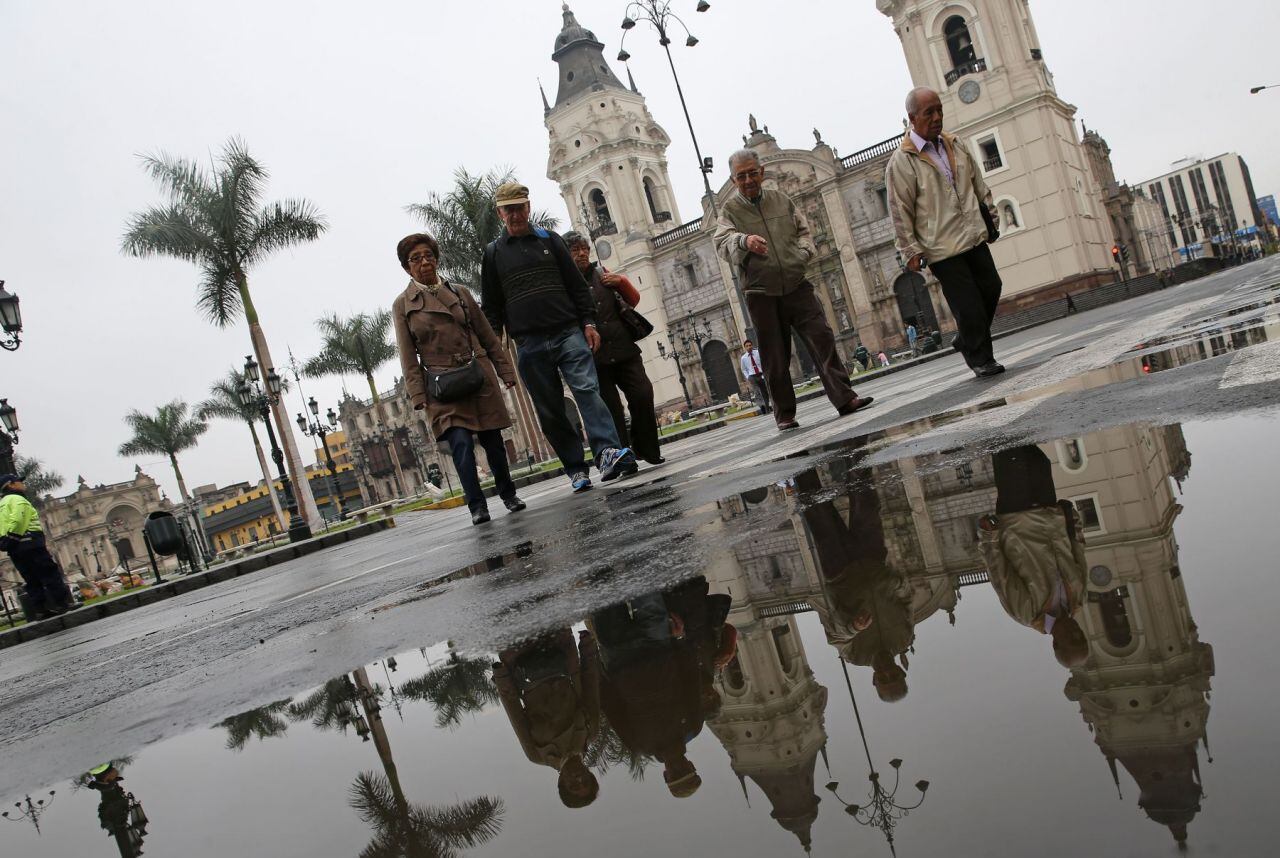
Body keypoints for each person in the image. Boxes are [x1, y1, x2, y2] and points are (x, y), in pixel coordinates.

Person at [480, 182, 637, 492]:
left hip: (567, 332)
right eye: (509, 209)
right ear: (500, 213)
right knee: (549, 408)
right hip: (529, 343)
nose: (516, 214)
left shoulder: (551, 241)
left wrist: (589, 323)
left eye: (520, 207)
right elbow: (492, 306)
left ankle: (606, 452)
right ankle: (576, 468)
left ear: (528, 207)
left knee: (587, 389)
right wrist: (495, 349)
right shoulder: (494, 254)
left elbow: (577, 287)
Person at [714, 149, 874, 431]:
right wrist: (744, 241)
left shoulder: (781, 200)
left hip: (797, 283)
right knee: (775, 355)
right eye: (741, 176)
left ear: (761, 172)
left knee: (822, 337)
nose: (749, 180)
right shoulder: (730, 211)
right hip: (761, 292)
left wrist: (803, 254)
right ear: (733, 180)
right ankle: (784, 414)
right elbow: (722, 242)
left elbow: (804, 231)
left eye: (753, 173)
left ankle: (845, 398)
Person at [393, 233, 526, 526]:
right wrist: (418, 396)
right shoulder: (403, 305)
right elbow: (407, 355)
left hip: (478, 375)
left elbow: (487, 336)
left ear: (437, 259)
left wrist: (505, 371)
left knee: (493, 441)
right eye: (416, 259)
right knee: (461, 445)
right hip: (442, 385)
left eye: (428, 255)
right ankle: (476, 505)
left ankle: (508, 495)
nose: (424, 262)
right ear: (407, 268)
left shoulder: (461, 293)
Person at [887, 86, 1006, 379]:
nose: (937, 117)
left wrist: (990, 219)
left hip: (973, 234)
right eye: (930, 112)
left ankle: (966, 338)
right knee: (968, 303)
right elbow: (900, 210)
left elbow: (979, 185)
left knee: (992, 287)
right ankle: (981, 358)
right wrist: (910, 250)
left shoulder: (956, 144)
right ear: (912, 118)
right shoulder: (902, 162)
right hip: (941, 245)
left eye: (939, 110)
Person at [979, 445, 1090, 668]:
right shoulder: (1079, 598)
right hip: (1050, 514)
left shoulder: (1027, 613)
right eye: (1082, 638)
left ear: (1055, 644)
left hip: (1017, 517)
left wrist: (988, 537)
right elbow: (1078, 553)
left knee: (1010, 453)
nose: (1077, 633)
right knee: (1038, 459)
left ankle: (988, 413)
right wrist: (1072, 521)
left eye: (1073, 641)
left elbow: (1000, 575)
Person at [562, 231, 663, 466]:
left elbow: (634, 300)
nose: (582, 254)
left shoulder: (602, 274)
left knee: (643, 394)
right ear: (566, 255)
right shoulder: (565, 286)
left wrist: (622, 282)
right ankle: (623, 456)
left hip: (624, 349)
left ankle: (646, 448)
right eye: (576, 250)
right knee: (611, 410)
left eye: (585, 248)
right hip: (594, 359)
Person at [494, 628, 601, 809]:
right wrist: (588, 647)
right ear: (590, 774)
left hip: (520, 661)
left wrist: (502, 676)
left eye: (573, 785)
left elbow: (515, 713)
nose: (578, 778)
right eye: (586, 781)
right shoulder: (591, 733)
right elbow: (591, 686)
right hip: (562, 651)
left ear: (560, 783)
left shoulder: (537, 755)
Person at [0, 473, 72, 619]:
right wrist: (14, 537)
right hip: (30, 543)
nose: (22, 483)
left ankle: (41, 609)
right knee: (49, 572)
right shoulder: (18, 499)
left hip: (15, 549)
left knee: (31, 578)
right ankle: (63, 603)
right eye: (18, 481)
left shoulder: (2, 503)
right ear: (10, 485)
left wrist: (6, 542)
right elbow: (19, 519)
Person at [738, 339, 772, 414]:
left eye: (750, 345)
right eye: (747, 346)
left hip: (761, 375)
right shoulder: (743, 358)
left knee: (764, 392)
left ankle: (766, 407)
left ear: (752, 345)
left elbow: (763, 363)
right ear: (745, 347)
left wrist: (764, 373)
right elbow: (743, 369)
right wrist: (748, 377)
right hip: (752, 377)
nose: (749, 347)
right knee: (757, 392)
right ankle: (762, 406)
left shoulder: (758, 353)